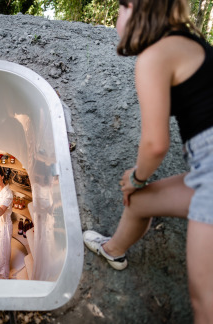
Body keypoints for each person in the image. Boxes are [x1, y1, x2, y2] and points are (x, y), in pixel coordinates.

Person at [82, 0, 213, 322]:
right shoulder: (190, 43)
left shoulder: (155, 55)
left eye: (121, 7)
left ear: (140, 10)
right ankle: (113, 249)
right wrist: (139, 188)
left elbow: (155, 144)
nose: (117, 17)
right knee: (140, 202)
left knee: (205, 301)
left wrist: (136, 177)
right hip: (204, 169)